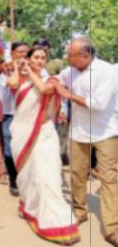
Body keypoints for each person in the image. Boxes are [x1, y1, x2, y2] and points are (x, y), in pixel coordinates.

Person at [7, 45, 80, 245]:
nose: (39, 60)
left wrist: (30, 70)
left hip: (44, 134)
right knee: (28, 175)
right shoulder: (20, 79)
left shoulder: (51, 80)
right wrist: (17, 67)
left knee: (47, 175)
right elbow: (11, 83)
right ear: (29, 58)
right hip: (21, 133)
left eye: (42, 58)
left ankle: (54, 220)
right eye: (35, 57)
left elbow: (44, 90)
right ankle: (30, 207)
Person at [56, 38, 118, 247]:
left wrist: (68, 95)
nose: (67, 58)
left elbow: (98, 104)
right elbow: (58, 78)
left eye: (70, 55)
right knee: (76, 174)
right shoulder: (71, 70)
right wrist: (54, 83)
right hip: (78, 132)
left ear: (85, 55)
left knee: (109, 179)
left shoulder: (107, 71)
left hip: (105, 132)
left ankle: (112, 228)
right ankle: (80, 212)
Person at [0, 41, 29, 196]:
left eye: (25, 52)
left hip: (30, 117)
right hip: (10, 116)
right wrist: (6, 77)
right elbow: (0, 97)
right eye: (19, 52)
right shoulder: (5, 73)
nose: (23, 55)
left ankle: (28, 180)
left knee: (29, 150)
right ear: (13, 53)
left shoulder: (38, 72)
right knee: (10, 151)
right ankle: (14, 180)